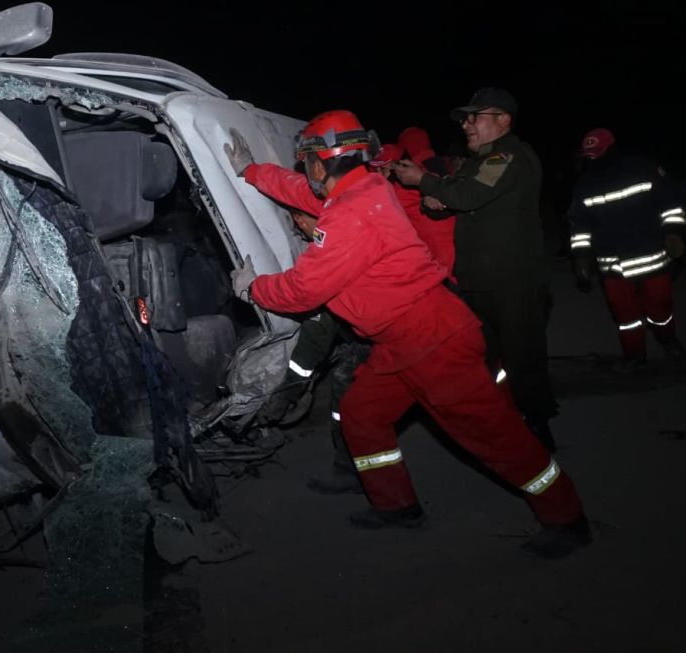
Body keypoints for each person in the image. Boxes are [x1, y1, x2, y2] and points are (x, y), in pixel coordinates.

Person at [223, 109, 590, 558]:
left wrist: (253, 288)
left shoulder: (349, 215)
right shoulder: (363, 189)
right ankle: (396, 506)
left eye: (308, 162)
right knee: (362, 413)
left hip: (432, 342)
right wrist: (252, 171)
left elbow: (303, 290)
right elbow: (302, 192)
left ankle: (566, 517)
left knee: (495, 436)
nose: (306, 170)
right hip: (404, 340)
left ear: (322, 163)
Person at [392, 87, 558, 453]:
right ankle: (499, 421)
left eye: (474, 117)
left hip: (514, 282)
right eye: (465, 119)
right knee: (481, 358)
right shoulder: (474, 162)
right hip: (478, 282)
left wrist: (425, 181)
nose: (466, 124)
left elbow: (467, 195)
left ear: (503, 120)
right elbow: (450, 200)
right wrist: (434, 199)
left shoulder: (509, 156)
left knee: (523, 358)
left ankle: (538, 428)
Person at [257, 208, 368, 495]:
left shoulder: (327, 264)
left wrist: (285, 396)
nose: (302, 233)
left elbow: (312, 345)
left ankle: (354, 472)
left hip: (397, 337)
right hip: (402, 329)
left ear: (301, 220)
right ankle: (362, 474)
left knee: (350, 403)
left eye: (299, 223)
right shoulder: (350, 232)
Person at [567, 127, 686, 367]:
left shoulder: (643, 169)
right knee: (626, 318)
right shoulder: (585, 185)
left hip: (651, 257)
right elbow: (580, 225)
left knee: (660, 310)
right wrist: (581, 256)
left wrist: (673, 232)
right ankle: (635, 357)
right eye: (589, 156)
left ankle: (668, 340)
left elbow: (671, 204)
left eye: (598, 154)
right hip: (612, 264)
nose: (594, 160)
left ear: (612, 149)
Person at [368, 140, 456, 280]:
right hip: (439, 248)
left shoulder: (402, 186)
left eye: (382, 169)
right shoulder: (419, 176)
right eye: (375, 170)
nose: (378, 174)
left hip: (445, 250)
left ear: (395, 166)